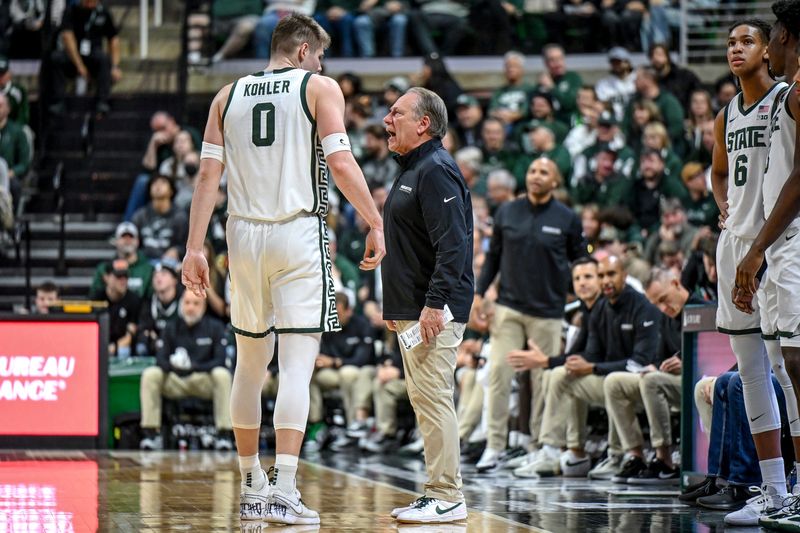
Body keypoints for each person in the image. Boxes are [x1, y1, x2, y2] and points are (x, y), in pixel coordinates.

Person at [181, 14, 385, 525]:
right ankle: (285, 489)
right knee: (297, 364)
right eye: (318, 55)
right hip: (297, 231)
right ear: (302, 52)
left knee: (249, 365)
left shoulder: (225, 97)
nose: (321, 64)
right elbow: (340, 163)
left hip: (241, 235)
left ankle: (252, 485)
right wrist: (375, 220)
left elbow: (208, 175)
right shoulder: (319, 87)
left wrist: (194, 248)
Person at [714, 16, 800, 527]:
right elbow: (719, 170)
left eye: (747, 40)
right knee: (750, 371)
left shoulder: (786, 97)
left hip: (776, 244)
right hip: (736, 244)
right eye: (730, 42)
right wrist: (722, 206)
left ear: (770, 48)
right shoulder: (726, 114)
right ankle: (770, 489)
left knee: (787, 367)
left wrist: (760, 245)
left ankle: (794, 489)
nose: (736, 48)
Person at [381, 87, 473, 523]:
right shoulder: (411, 169)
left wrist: (433, 305)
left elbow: (454, 245)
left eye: (396, 112)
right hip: (413, 311)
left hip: (435, 311)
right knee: (425, 400)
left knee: (435, 399)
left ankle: (447, 494)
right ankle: (438, 490)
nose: (386, 119)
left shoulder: (436, 169)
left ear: (423, 123)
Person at [471, 156, 587, 472]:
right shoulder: (507, 211)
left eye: (544, 172)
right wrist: (480, 294)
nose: (536, 176)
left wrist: (580, 302)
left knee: (543, 380)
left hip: (548, 311)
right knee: (497, 374)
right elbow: (493, 256)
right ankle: (494, 446)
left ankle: (537, 446)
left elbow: (580, 262)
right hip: (508, 306)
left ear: (555, 181)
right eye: (533, 170)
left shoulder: (567, 218)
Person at [603, 268, 706, 484]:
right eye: (656, 304)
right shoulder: (667, 317)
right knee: (615, 382)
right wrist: (657, 366)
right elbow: (660, 357)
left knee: (651, 380)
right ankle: (636, 455)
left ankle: (664, 460)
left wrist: (687, 362)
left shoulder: (703, 310)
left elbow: (717, 358)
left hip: (700, 381)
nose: (662, 308)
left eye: (664, 299)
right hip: (669, 380)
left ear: (677, 284)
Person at [506, 256, 601, 477]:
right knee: (555, 374)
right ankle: (560, 449)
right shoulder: (587, 310)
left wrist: (546, 361)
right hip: (600, 372)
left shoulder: (602, 308)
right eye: (577, 278)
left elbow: (591, 355)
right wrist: (546, 361)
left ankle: (554, 448)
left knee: (560, 375)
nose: (582, 283)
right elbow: (578, 354)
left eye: (588, 276)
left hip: (614, 373)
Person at [138, 289, 233, 451]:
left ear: (203, 306)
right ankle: (151, 433)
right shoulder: (171, 327)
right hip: (176, 380)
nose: (191, 308)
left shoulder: (215, 327)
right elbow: (160, 359)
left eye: (196, 303)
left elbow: (220, 360)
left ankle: (224, 434)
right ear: (181, 305)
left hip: (202, 380)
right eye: (187, 303)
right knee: (151, 374)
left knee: (223, 375)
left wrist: (195, 367)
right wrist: (175, 367)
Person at [49, 0, 121, 116]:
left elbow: (113, 39)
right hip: (74, 55)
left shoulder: (103, 12)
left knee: (104, 59)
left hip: (93, 54)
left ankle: (103, 101)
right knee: (56, 58)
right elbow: (67, 37)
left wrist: (115, 66)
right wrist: (80, 66)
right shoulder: (71, 11)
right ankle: (59, 101)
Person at [91, 258, 142, 358]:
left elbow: (131, 332)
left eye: (126, 276)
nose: (123, 280)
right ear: (107, 277)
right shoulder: (97, 299)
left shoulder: (134, 300)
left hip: (122, 349)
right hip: (98, 345)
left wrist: (115, 346)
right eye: (119, 276)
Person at [90, 222, 154, 299]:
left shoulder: (148, 269)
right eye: (123, 237)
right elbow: (93, 297)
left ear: (138, 241)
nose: (127, 241)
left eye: (131, 237)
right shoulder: (105, 268)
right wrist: (108, 289)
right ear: (116, 241)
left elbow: (151, 299)